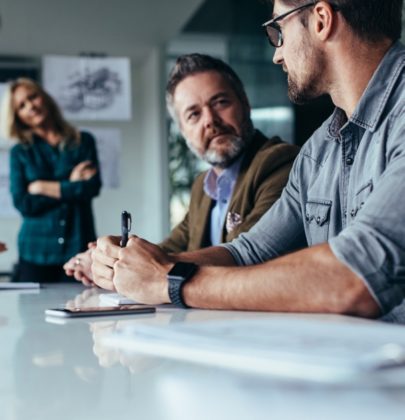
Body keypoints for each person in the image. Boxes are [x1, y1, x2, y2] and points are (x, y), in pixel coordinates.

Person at [91, 0, 405, 320]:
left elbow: (357, 276)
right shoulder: (319, 150)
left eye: (279, 30)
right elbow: (248, 252)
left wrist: (171, 282)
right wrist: (138, 266)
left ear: (321, 20)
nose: (276, 54)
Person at [65, 54, 299, 284]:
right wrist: (111, 257)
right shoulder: (203, 185)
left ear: (245, 104)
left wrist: (129, 265)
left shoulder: (279, 163)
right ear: (183, 130)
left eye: (220, 102)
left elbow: (250, 254)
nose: (209, 120)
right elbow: (170, 247)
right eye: (193, 114)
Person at [1, 78, 102, 283]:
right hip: (35, 252)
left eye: (33, 97)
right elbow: (24, 203)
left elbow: (91, 187)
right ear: (17, 116)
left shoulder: (83, 141)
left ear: (44, 98)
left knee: (82, 309)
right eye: (21, 105)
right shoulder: (20, 153)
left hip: (78, 247)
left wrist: (41, 187)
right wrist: (70, 183)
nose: (30, 106)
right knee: (30, 314)